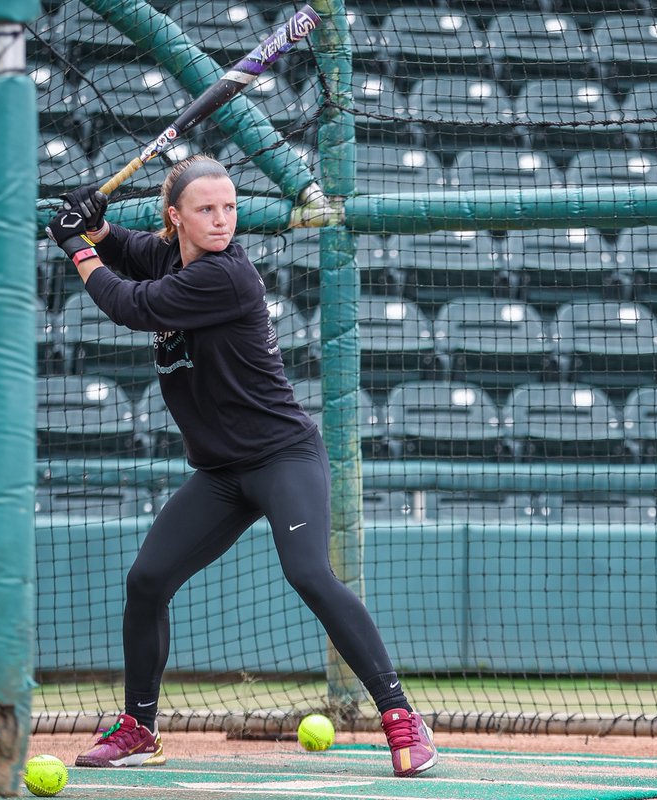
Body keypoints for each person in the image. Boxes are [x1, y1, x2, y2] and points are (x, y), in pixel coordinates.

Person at [44, 154, 438, 777]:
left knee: (309, 573)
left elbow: (129, 305)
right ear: (176, 218)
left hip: (282, 457)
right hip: (222, 473)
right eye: (206, 209)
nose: (223, 219)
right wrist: (92, 227)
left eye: (229, 207)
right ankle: (139, 726)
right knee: (147, 581)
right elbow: (123, 248)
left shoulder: (226, 277)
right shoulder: (171, 254)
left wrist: (76, 246)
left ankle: (401, 717)